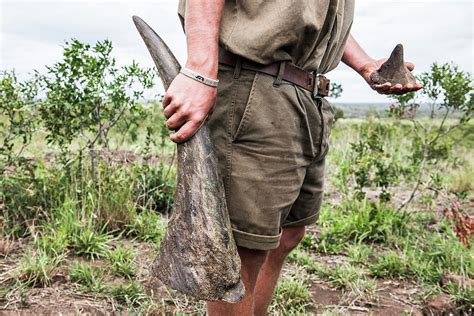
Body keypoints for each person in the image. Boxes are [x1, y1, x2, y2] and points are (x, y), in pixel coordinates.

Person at [161, 1, 421, 315]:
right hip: (255, 85)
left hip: (308, 92)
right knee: (243, 250)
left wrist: (366, 64)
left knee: (288, 235)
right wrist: (201, 69)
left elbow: (312, 13)